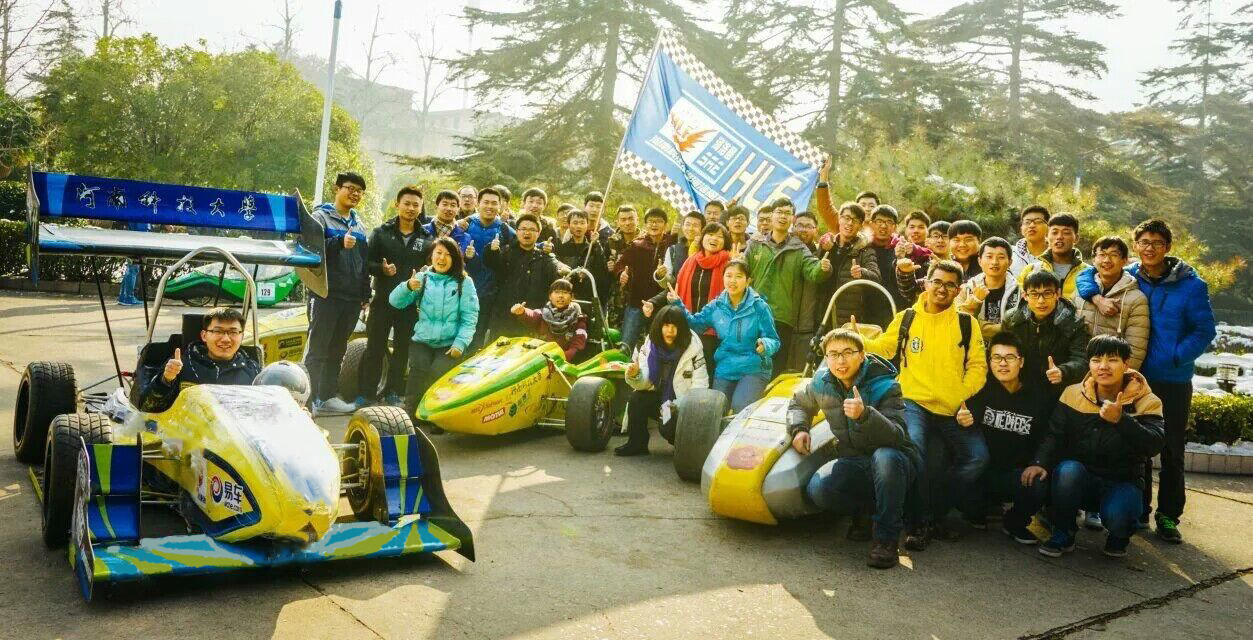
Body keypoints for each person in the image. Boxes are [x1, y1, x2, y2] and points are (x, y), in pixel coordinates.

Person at [1075, 219, 1215, 543]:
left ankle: (1168, 515)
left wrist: (1176, 356)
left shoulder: (1191, 284)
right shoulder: (1131, 274)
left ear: (1168, 247)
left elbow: (1204, 330)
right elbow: (1087, 275)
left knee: (1171, 449)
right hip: (1134, 376)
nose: (1149, 248)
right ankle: (1140, 509)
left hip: (1171, 378)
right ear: (1136, 246)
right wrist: (1096, 297)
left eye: (1157, 243)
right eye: (1144, 242)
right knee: (1134, 444)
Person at [865, 260, 987, 548]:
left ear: (958, 290)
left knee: (977, 458)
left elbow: (978, 367)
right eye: (937, 282)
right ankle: (918, 523)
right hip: (913, 401)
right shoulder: (907, 318)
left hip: (952, 406)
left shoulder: (966, 323)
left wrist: (960, 394)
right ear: (926, 283)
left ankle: (934, 511)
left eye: (950, 285)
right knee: (915, 451)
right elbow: (884, 347)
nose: (942, 289)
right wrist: (859, 339)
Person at [788, 328, 917, 568]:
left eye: (848, 352)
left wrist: (865, 415)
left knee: (885, 458)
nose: (841, 360)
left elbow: (897, 435)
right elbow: (798, 403)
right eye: (833, 354)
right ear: (826, 358)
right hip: (855, 461)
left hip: (895, 463)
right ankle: (865, 513)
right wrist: (799, 429)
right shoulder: (821, 382)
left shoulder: (886, 386)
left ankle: (887, 539)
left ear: (862, 355)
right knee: (818, 488)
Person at [1027, 335, 1165, 558]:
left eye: (1112, 360)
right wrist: (1039, 462)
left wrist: (1121, 420)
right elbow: (1054, 435)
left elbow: (1154, 444)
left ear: (1126, 364)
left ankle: (1119, 536)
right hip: (1082, 477)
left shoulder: (1147, 400)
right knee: (1067, 471)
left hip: (1122, 480)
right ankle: (1063, 532)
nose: (1103, 366)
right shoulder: (1073, 393)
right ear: (1089, 364)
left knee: (1120, 517)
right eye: (1096, 360)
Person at [960, 332, 1052, 542]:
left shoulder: (1037, 396)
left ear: (1021, 361)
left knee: (1039, 482)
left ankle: (1015, 521)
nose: (1003, 364)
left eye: (1009, 357)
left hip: (1015, 474)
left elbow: (1048, 435)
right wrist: (963, 419)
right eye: (996, 358)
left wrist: (1038, 463)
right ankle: (978, 509)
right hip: (981, 473)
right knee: (970, 501)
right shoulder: (980, 390)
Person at [389, 237, 479, 428]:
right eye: (438, 253)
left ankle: (438, 419)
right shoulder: (423, 278)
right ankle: (410, 416)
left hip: (449, 343)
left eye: (447, 254)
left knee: (438, 375)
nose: (442, 258)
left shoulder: (464, 282)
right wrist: (407, 286)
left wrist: (460, 343)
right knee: (417, 374)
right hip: (422, 340)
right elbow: (395, 302)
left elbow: (470, 317)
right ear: (431, 256)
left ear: (455, 258)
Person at [668, 260, 780, 412]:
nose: (732, 281)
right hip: (725, 367)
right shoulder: (716, 306)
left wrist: (765, 344)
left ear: (748, 281)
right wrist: (677, 303)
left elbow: (774, 340)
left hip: (753, 367)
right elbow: (696, 324)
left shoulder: (759, 306)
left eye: (738, 276)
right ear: (723, 278)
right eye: (729, 275)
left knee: (740, 408)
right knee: (715, 410)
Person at [307, 172, 372, 415]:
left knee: (337, 349)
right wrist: (337, 244)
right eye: (350, 188)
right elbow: (310, 251)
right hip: (326, 294)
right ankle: (310, 400)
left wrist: (364, 293)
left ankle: (327, 397)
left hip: (351, 297)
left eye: (359, 191)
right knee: (318, 349)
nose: (354, 194)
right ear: (337, 188)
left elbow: (363, 263)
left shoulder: (359, 224)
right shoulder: (320, 217)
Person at [744, 197, 831, 375]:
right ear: (772, 215)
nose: (783, 216)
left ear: (792, 218)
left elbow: (813, 271)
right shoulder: (756, 243)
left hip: (781, 317)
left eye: (787, 213)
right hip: (752, 313)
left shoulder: (799, 248)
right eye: (779, 212)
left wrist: (823, 268)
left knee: (774, 368)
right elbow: (742, 271)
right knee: (747, 363)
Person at [362, 186, 430, 407]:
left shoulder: (427, 238)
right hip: (382, 300)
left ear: (421, 208)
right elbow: (366, 263)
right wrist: (381, 270)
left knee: (403, 349)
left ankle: (394, 391)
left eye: (415, 205)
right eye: (407, 203)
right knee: (374, 347)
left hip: (409, 304)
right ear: (397, 204)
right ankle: (367, 394)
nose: (411, 208)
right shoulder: (381, 233)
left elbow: (432, 268)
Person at [617, 305, 709, 456]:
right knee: (636, 399)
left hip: (678, 403)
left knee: (666, 426)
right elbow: (645, 382)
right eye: (666, 325)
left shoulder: (693, 348)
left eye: (674, 326)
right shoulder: (650, 344)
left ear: (681, 328)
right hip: (658, 397)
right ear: (659, 326)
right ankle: (637, 443)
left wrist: (676, 405)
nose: (670, 331)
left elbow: (700, 386)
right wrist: (636, 375)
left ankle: (683, 445)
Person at [643, 222, 732, 376]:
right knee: (682, 371)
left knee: (704, 372)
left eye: (720, 236)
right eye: (710, 234)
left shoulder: (729, 264)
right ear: (702, 238)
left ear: (726, 242)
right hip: (686, 325)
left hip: (712, 331)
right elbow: (674, 289)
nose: (714, 239)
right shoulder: (691, 261)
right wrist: (653, 302)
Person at [137, 307, 262, 412]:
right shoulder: (180, 365)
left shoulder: (253, 370)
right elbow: (147, 409)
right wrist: (166, 380)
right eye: (217, 331)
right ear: (204, 335)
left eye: (233, 332)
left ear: (242, 336)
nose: (225, 339)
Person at [1001, 270, 1090, 398]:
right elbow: (1003, 352)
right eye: (1034, 294)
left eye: (1047, 293)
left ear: (1057, 294)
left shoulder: (1073, 323)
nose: (1041, 301)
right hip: (1019, 387)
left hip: (1058, 390)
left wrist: (1063, 371)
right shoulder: (1012, 320)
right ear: (1025, 295)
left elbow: (1081, 360)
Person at [1074, 236, 1149, 370]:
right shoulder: (1079, 293)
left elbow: (1136, 350)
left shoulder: (1136, 299)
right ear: (1093, 259)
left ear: (1124, 261)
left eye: (1114, 255)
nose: (1107, 260)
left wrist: (1120, 377)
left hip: (1112, 373)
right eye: (1102, 255)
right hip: (1079, 368)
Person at [486, 213, 564, 338]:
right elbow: (491, 263)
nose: (527, 232)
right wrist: (492, 251)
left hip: (531, 316)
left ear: (538, 233)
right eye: (523, 229)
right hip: (504, 315)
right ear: (517, 231)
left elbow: (555, 264)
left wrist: (562, 268)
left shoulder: (543, 256)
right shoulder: (506, 252)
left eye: (532, 229)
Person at [614, 207, 675, 349]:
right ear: (645, 224)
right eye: (651, 221)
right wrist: (622, 273)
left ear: (665, 224)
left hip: (661, 304)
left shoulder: (671, 245)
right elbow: (620, 264)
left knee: (658, 346)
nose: (654, 225)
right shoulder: (637, 245)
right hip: (637, 302)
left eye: (658, 221)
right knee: (626, 345)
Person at [464, 187, 516, 349]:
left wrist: (544, 247)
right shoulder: (466, 225)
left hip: (490, 291)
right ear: (478, 204)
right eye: (486, 202)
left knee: (480, 335)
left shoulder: (505, 230)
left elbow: (524, 243)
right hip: (463, 287)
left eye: (494, 203)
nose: (490, 206)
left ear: (500, 206)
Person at [815, 201, 879, 327]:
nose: (850, 223)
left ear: (861, 225)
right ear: (839, 219)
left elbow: (876, 277)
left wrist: (862, 273)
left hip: (849, 319)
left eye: (855, 220)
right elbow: (812, 273)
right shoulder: (827, 245)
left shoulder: (866, 250)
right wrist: (821, 256)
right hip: (822, 315)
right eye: (847, 218)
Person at [955, 237, 1022, 339]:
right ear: (979, 261)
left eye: (1001, 257)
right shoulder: (966, 289)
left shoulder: (1021, 291)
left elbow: (1019, 327)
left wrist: (978, 326)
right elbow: (958, 322)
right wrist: (973, 302)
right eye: (989, 256)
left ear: (1010, 262)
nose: (994, 262)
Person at [511, 279, 589, 362]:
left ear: (572, 297)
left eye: (565, 292)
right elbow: (533, 316)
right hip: (539, 357)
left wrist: (562, 359)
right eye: (557, 292)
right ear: (550, 296)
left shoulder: (579, 319)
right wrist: (523, 312)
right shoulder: (542, 313)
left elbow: (578, 344)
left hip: (562, 361)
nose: (561, 296)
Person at [1017, 213, 1089, 298]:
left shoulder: (1088, 272)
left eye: (1066, 233)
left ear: (1076, 238)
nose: (1059, 237)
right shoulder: (1031, 270)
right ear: (1047, 236)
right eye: (1054, 233)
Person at [789, 211, 824, 370]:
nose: (803, 230)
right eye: (800, 225)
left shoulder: (822, 254)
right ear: (793, 227)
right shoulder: (785, 250)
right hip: (784, 324)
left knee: (801, 373)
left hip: (809, 327)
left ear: (816, 230)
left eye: (808, 226)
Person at [555, 209, 608, 305]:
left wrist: (597, 244)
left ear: (587, 225)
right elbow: (558, 271)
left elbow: (602, 269)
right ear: (569, 225)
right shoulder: (562, 248)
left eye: (582, 223)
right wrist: (574, 275)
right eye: (575, 223)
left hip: (589, 297)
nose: (579, 226)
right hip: (568, 296)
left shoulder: (593, 248)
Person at [660, 210, 705, 284]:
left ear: (702, 229)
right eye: (687, 224)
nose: (690, 228)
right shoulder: (673, 250)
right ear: (683, 227)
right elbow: (669, 281)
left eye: (695, 225)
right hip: (677, 290)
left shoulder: (707, 250)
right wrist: (662, 275)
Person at [1010, 205, 1050, 277]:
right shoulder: (1010, 254)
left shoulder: (1056, 255)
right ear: (1021, 229)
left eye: (1038, 221)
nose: (1031, 225)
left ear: (1048, 227)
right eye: (1027, 222)